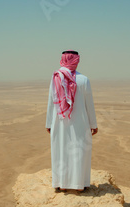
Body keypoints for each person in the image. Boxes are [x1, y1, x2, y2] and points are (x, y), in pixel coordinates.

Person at [45, 50, 98, 192]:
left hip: (60, 122)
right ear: (76, 60)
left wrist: (49, 123)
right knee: (79, 151)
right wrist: (93, 124)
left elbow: (51, 102)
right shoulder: (84, 79)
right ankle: (80, 185)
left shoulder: (56, 77)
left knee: (61, 151)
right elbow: (89, 104)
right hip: (80, 122)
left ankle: (61, 184)